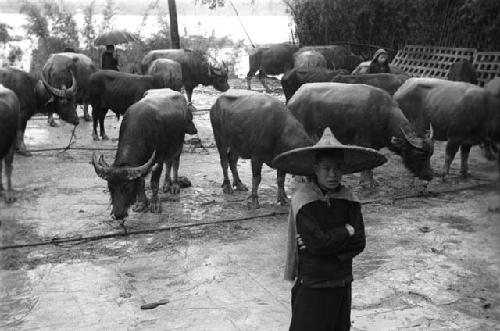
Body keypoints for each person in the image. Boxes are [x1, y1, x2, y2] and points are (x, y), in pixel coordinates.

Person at [273, 127, 387, 331]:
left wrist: (326, 243)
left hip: (341, 283)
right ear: (315, 169)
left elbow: (359, 242)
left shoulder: (350, 200)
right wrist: (346, 232)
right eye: (326, 168)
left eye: (337, 168)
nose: (332, 175)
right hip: (313, 283)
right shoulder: (304, 201)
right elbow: (317, 244)